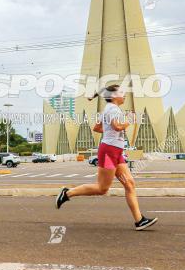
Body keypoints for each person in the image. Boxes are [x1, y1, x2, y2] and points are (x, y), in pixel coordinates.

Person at [55, 84, 157, 231]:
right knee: (102, 188)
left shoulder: (108, 109)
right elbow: (117, 126)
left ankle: (139, 220)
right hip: (110, 151)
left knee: (129, 184)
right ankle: (67, 193)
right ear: (114, 96)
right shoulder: (113, 109)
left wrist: (109, 129)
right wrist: (129, 119)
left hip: (115, 151)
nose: (124, 95)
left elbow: (97, 128)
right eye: (121, 92)